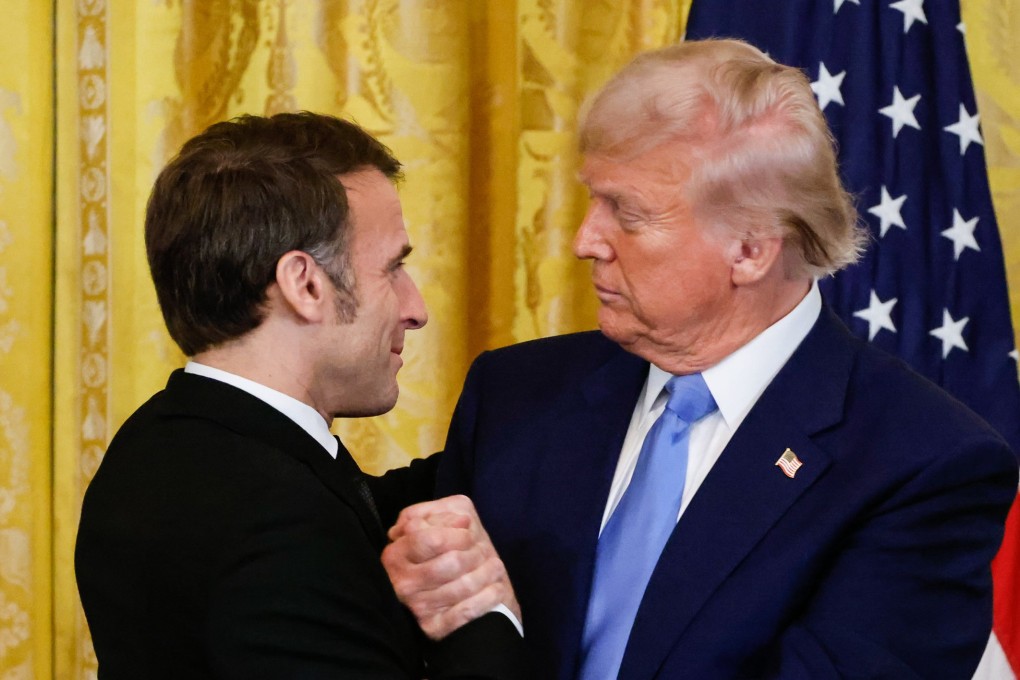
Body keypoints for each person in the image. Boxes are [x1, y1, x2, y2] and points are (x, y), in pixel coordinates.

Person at [392, 39, 1019, 679]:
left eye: (626, 215)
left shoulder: (923, 464)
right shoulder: (517, 393)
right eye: (593, 197)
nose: (584, 241)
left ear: (750, 249)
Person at [74, 112, 524, 679]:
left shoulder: (164, 441)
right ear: (305, 285)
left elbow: (349, 504)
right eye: (393, 269)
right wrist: (483, 621)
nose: (416, 309)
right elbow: (311, 533)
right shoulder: (278, 529)